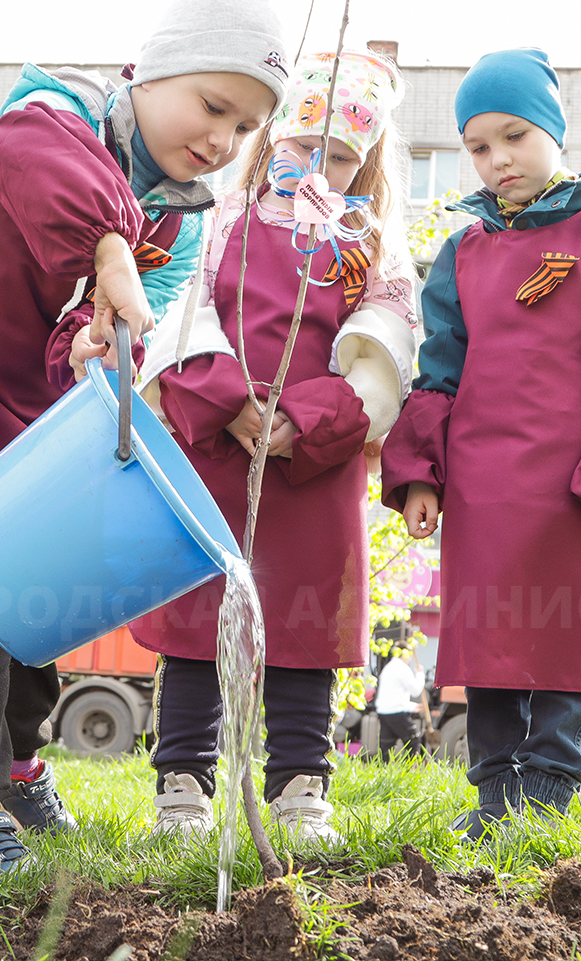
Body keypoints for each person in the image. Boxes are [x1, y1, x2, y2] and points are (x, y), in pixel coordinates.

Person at [0, 0, 289, 874]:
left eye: (244, 128)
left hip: (38, 394)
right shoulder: (66, 104)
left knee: (39, 574)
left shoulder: (181, 223)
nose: (220, 140)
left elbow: (120, 318)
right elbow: (31, 157)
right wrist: (110, 245)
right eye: (212, 105)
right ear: (155, 72)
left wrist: (88, 345)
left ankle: (21, 766)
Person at [380, 48, 581, 840]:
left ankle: (546, 793)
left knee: (562, 631)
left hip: (572, 489)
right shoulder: (463, 252)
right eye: (478, 146)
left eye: (514, 135)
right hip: (482, 493)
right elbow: (437, 369)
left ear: (553, 129)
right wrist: (422, 475)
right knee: (486, 637)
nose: (497, 159)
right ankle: (493, 794)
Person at [131, 50, 416, 844]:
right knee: (196, 624)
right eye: (305, 144)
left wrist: (309, 420)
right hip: (219, 450)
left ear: (365, 166)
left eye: (342, 157)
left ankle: (299, 786)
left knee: (304, 633)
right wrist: (228, 403)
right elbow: (186, 309)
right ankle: (184, 786)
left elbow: (381, 345)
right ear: (273, 139)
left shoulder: (368, 253)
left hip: (309, 466)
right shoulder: (219, 223)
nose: (319, 167)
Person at [375, 641, 427, 760]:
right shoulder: (402, 668)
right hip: (396, 712)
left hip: (384, 711)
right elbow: (415, 690)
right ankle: (407, 771)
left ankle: (383, 770)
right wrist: (420, 674)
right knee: (413, 740)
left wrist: (411, 706)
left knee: (387, 744)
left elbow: (392, 695)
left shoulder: (388, 667)